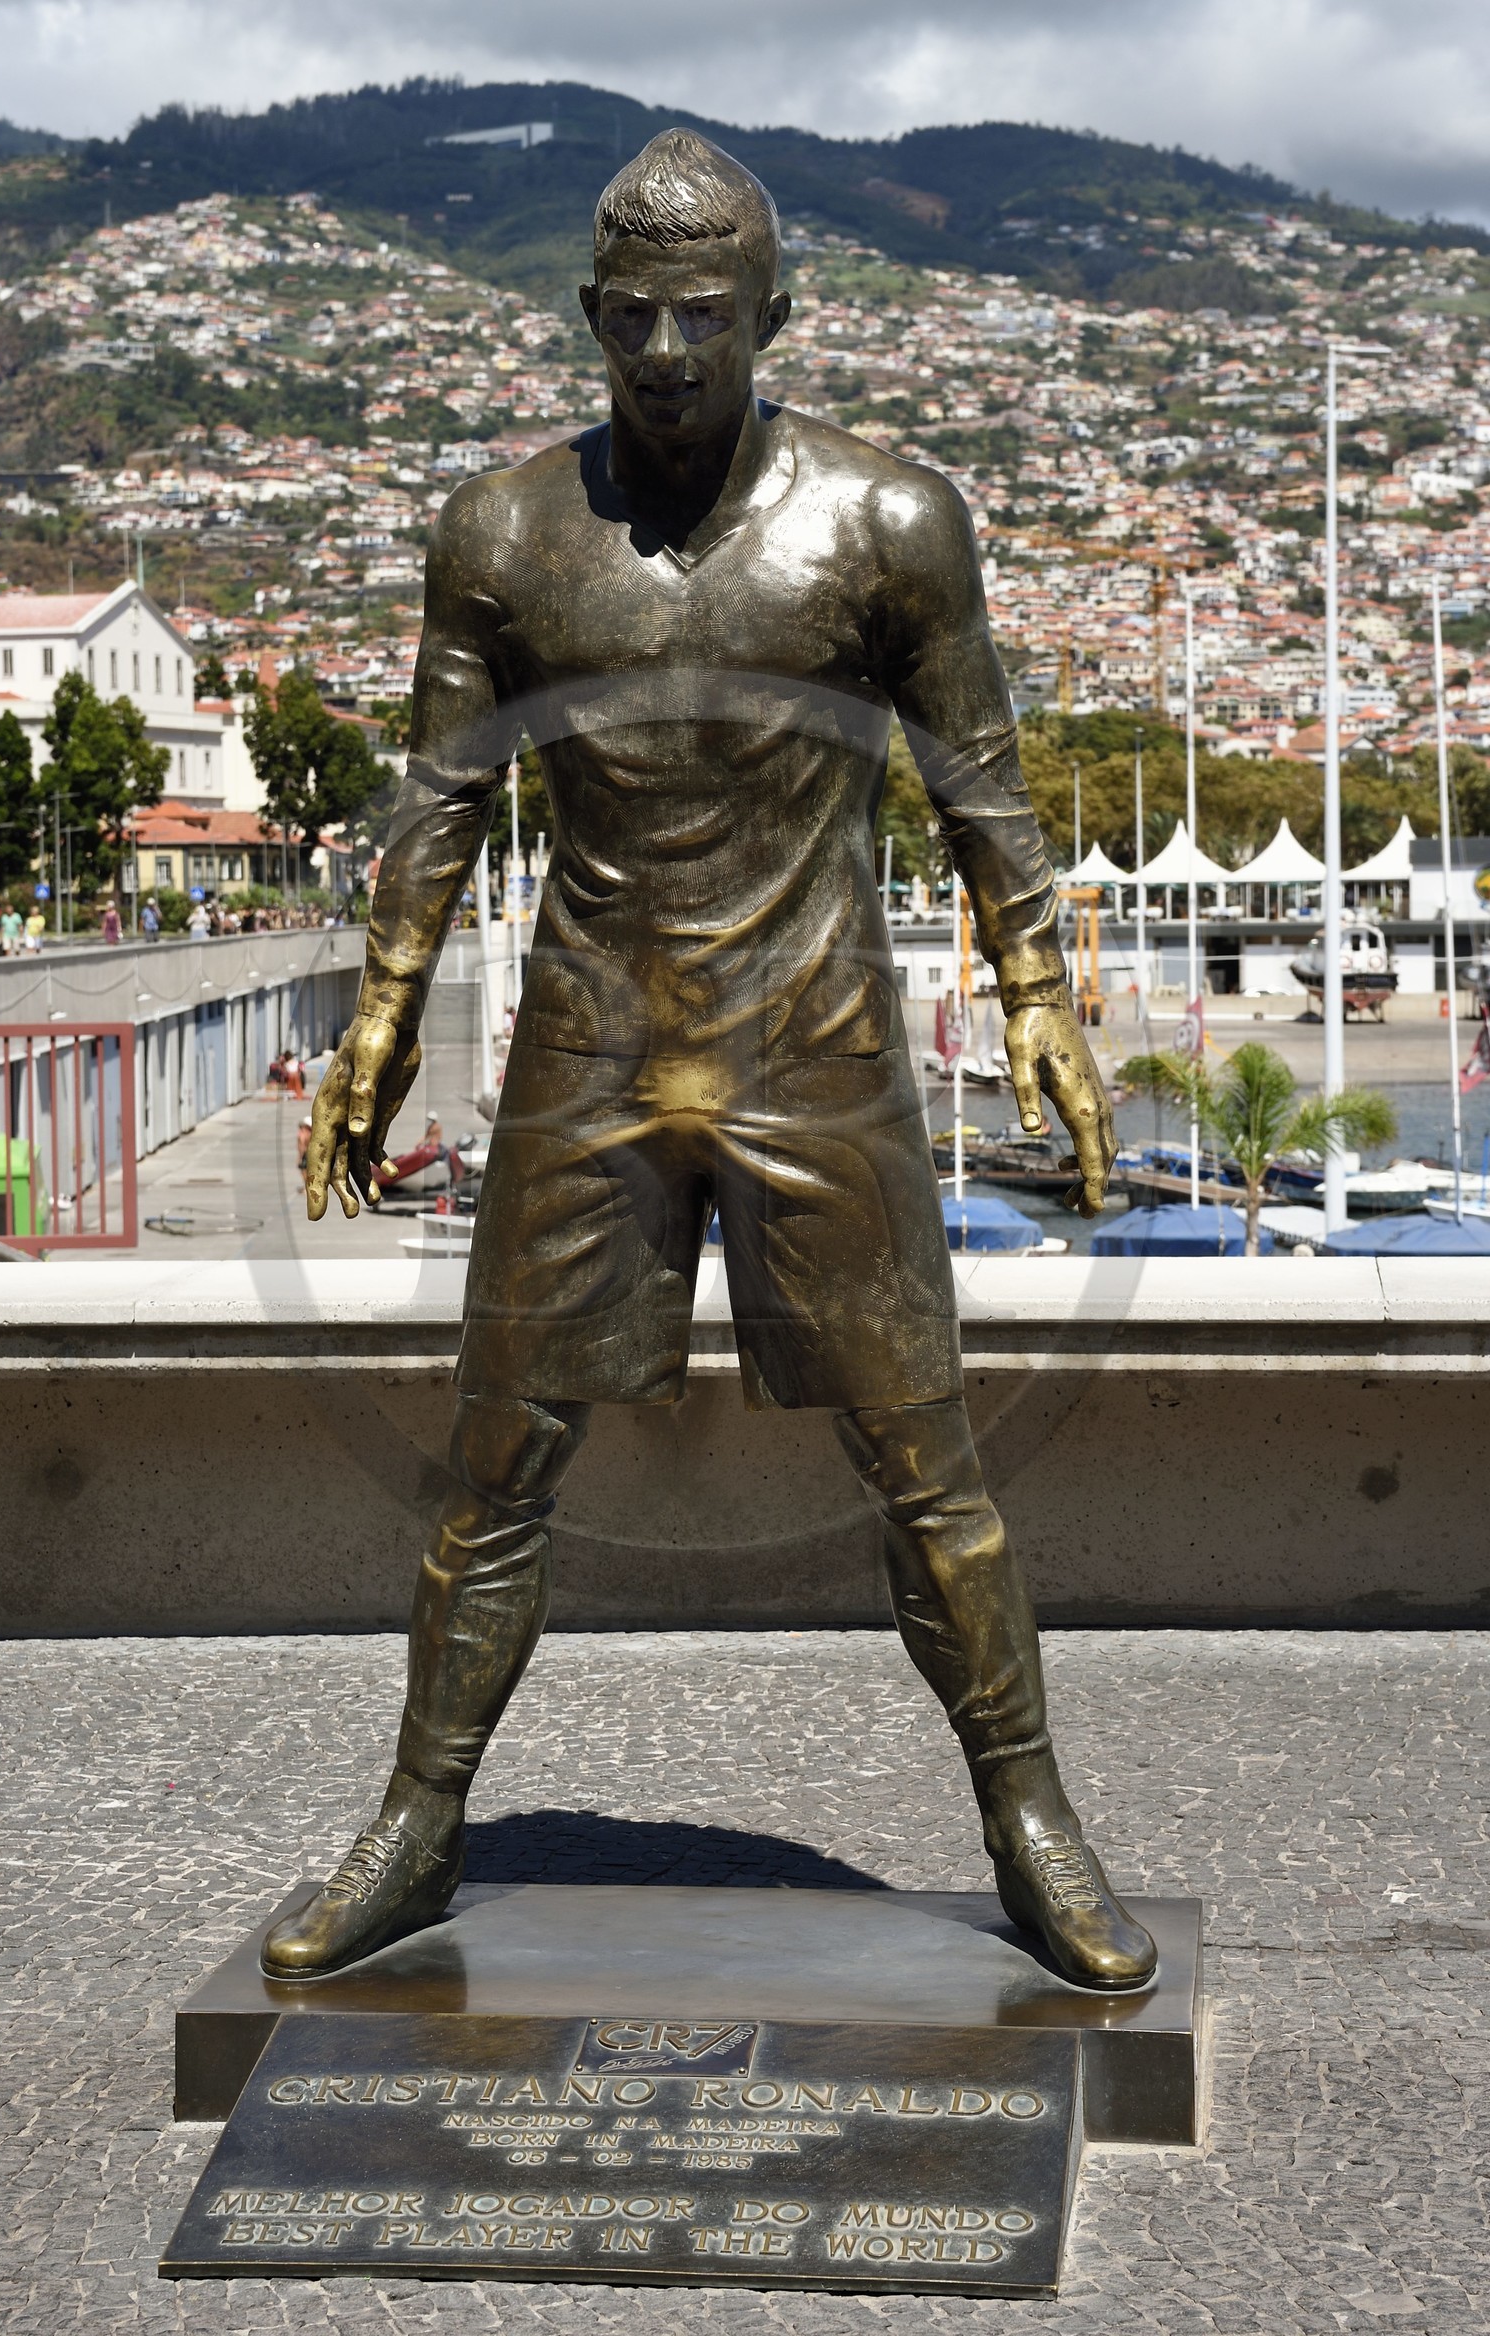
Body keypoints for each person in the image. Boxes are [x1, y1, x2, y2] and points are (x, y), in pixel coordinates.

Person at [264, 131, 1150, 1996]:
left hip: (816, 1039)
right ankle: (422, 1819)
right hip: (590, 1040)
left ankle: (1030, 1818)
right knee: (494, 1466)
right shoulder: (501, 532)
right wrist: (377, 1008)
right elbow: (442, 791)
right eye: (636, 314)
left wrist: (1043, 993)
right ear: (590, 314)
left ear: (776, 316)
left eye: (707, 313)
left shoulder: (894, 523)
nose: (668, 348)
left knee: (929, 1467)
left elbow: (977, 780)